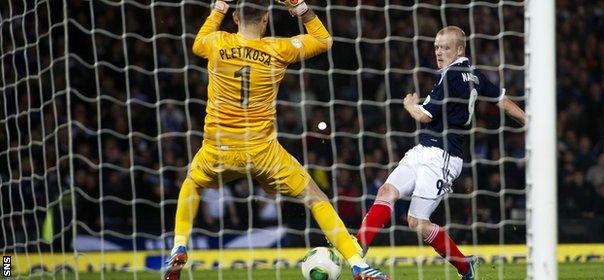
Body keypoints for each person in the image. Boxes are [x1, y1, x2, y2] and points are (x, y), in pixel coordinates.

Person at [163, 1, 390, 279]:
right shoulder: (277, 49)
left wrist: (219, 8)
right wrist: (300, 8)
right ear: (266, 20)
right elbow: (323, 40)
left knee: (193, 183)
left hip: (218, 149)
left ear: (235, 17)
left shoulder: (216, 43)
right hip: (263, 153)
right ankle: (358, 263)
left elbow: (198, 42)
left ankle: (179, 246)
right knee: (314, 197)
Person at [355, 26, 526, 280]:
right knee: (386, 191)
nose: (438, 52)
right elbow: (504, 102)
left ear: (459, 49)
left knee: (417, 222)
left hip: (443, 155)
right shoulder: (475, 75)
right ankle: (356, 257)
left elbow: (424, 115)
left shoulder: (451, 75)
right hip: (424, 149)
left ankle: (466, 267)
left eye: (445, 47)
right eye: (436, 47)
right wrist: (530, 121)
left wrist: (410, 105)